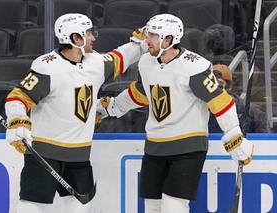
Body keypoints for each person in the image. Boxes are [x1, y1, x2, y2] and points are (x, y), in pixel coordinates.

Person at [97, 14, 254, 213]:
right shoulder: (146, 63)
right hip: (154, 146)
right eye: (148, 35)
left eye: (153, 36)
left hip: (187, 148)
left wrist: (234, 136)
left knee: (174, 207)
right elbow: (142, 93)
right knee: (152, 207)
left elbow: (220, 101)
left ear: (169, 39)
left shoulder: (194, 66)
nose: (147, 40)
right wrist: (110, 107)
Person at [4, 13, 145, 213]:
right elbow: (18, 96)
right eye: (88, 33)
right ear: (75, 38)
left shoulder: (95, 62)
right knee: (31, 207)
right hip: (44, 154)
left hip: (79, 156)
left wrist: (141, 44)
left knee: (82, 207)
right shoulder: (47, 66)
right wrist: (17, 121)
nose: (93, 37)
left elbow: (120, 58)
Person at [208, 64, 269, 133]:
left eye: (219, 83)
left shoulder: (253, 112)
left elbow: (264, 141)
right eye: (212, 84)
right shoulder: (199, 111)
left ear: (229, 87)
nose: (215, 88)